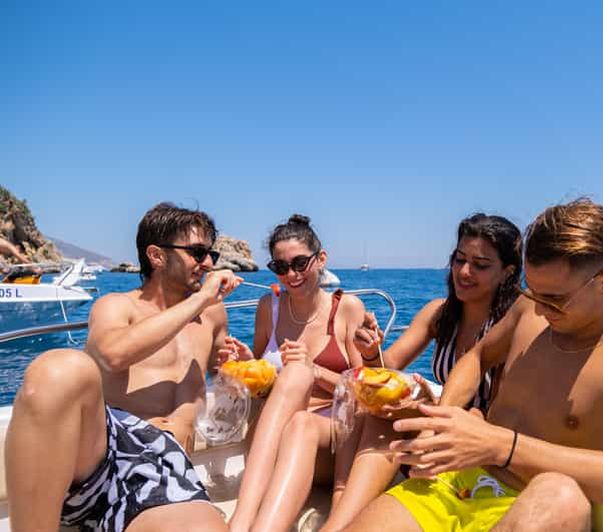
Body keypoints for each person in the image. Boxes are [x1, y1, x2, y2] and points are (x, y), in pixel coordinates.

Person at [346, 198, 603, 532]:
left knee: (561, 494)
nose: (539, 309)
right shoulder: (528, 308)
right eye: (533, 292)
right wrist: (444, 422)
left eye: (554, 299)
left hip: (530, 502)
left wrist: (500, 446)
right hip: (457, 479)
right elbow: (477, 357)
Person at [5, 202, 242, 531]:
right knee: (60, 368)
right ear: (157, 256)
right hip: (103, 456)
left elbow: (221, 374)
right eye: (198, 252)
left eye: (210, 254)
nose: (208, 264)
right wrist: (200, 299)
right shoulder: (117, 306)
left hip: (162, 469)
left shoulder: (214, 316)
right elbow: (112, 355)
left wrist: (236, 365)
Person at [321, 213, 522, 531]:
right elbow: (387, 367)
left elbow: (503, 418)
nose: (464, 272)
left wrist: (431, 405)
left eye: (480, 265)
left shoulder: (513, 326)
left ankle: (338, 523)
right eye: (459, 259)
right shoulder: (440, 314)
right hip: (439, 425)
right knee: (379, 411)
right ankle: (339, 520)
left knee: (386, 417)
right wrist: (371, 350)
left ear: (507, 272)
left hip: (478, 441)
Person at [223, 214, 367, 532]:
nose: (291, 274)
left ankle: (241, 521)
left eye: (300, 263)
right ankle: (245, 520)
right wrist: (246, 364)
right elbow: (263, 382)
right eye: (281, 267)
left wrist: (315, 370)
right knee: (294, 380)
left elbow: (365, 392)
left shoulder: (347, 309)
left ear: (321, 259)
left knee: (298, 376)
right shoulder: (269, 308)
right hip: (272, 441)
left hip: (329, 442)